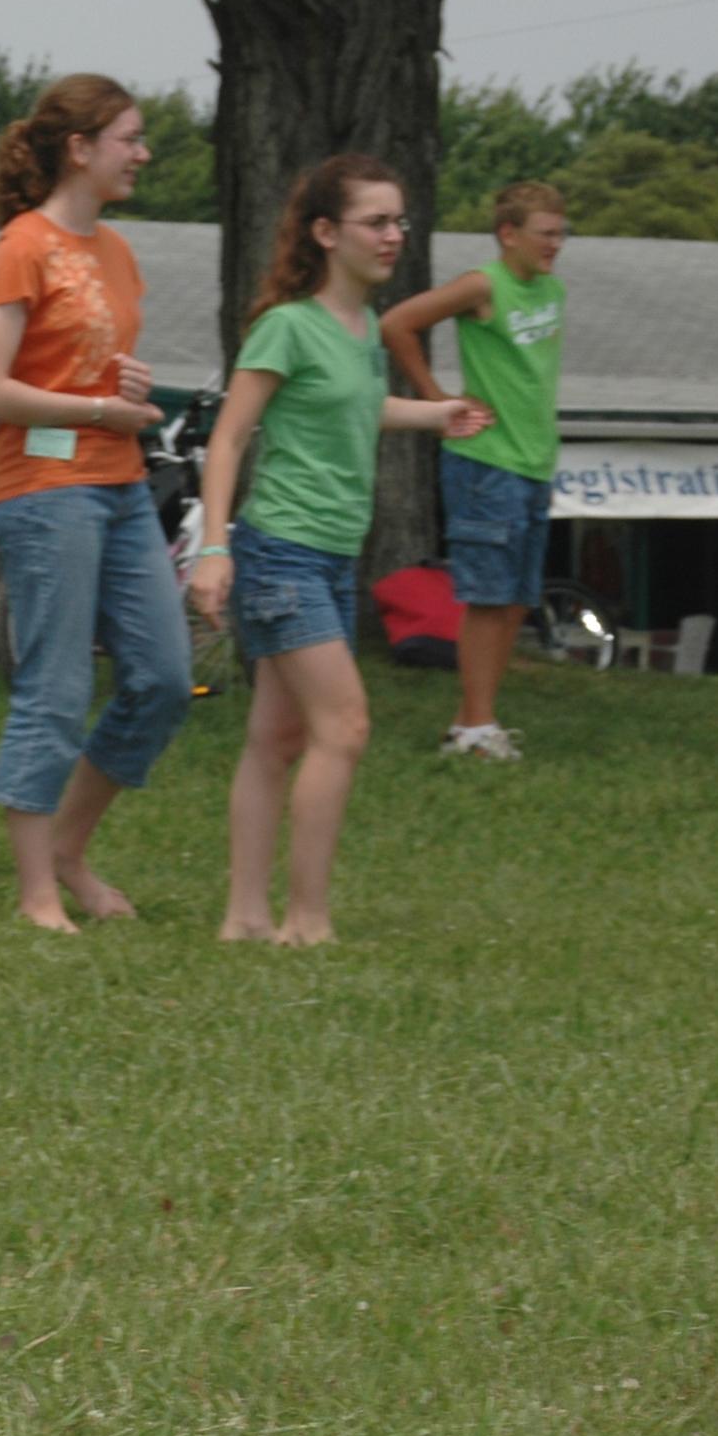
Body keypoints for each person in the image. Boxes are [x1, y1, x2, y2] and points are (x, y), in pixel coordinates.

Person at [189, 155, 490, 945]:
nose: (394, 236)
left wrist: (435, 415)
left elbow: (358, 407)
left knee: (276, 737)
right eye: (376, 222)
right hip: (282, 552)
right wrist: (214, 547)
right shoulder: (286, 326)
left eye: (399, 221)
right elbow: (228, 439)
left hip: (330, 557)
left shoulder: (361, 332)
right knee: (345, 725)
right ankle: (306, 921)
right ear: (326, 232)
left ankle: (244, 917)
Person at [0, 73, 192, 932]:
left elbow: (80, 362)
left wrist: (123, 388)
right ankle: (37, 893)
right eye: (129, 138)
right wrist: (97, 409)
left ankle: (67, 848)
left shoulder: (116, 251)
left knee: (164, 679)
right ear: (80, 148)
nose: (143, 153)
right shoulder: (23, 244)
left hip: (120, 484)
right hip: (44, 491)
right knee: (55, 688)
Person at [381, 180, 569, 759]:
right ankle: (478, 727)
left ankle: (471, 723)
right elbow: (397, 324)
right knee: (488, 599)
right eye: (545, 234)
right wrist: (438, 403)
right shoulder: (483, 285)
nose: (555, 245)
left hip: (534, 461)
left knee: (516, 601)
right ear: (508, 233)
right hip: (486, 464)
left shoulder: (552, 289)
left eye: (561, 234)